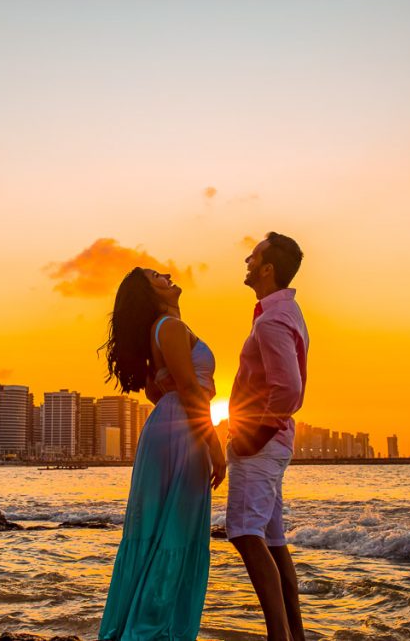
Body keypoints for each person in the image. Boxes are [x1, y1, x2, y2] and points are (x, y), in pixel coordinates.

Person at [98, 267, 227, 641]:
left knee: (160, 531)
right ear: (149, 293)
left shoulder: (165, 328)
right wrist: (215, 445)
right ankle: (153, 631)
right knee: (174, 533)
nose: (168, 275)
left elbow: (158, 390)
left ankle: (142, 628)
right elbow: (187, 387)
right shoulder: (168, 327)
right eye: (157, 277)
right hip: (183, 432)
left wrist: (185, 393)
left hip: (169, 428)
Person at [227, 232, 309, 641]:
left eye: (253, 255)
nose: (247, 258)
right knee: (273, 541)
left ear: (267, 268)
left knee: (244, 533)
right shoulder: (281, 312)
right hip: (272, 443)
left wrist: (251, 438)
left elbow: (288, 389)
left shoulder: (275, 318)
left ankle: (279, 636)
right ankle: (294, 635)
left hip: (261, 444)